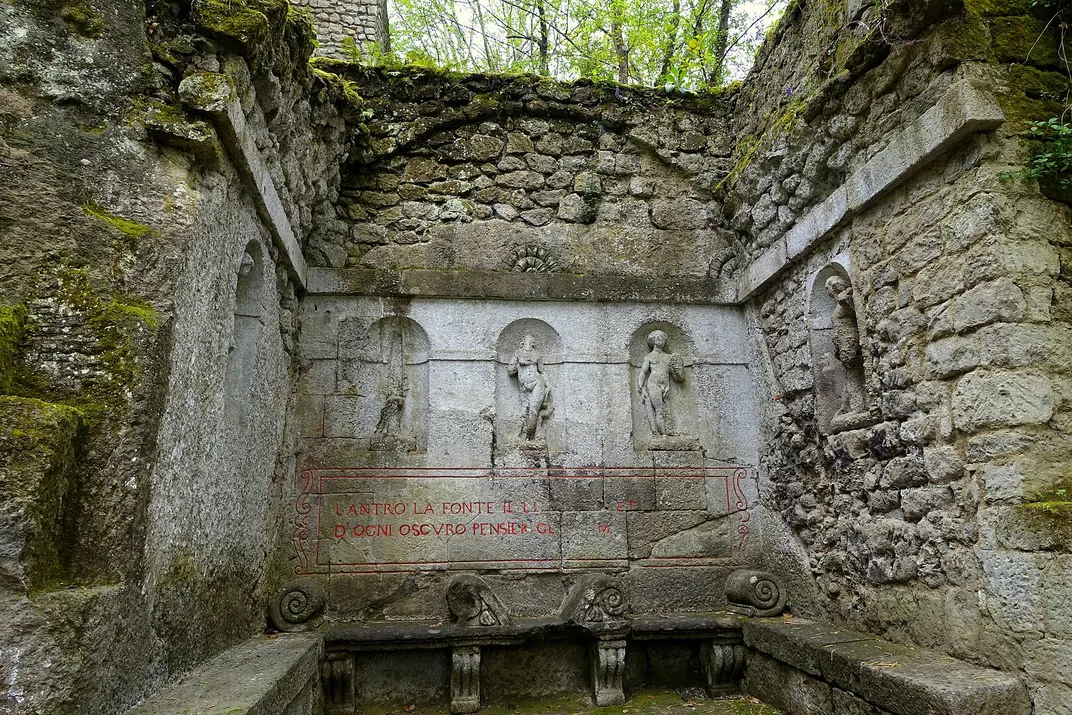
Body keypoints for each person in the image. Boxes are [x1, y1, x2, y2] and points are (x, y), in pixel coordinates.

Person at [637, 330, 684, 436]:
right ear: (653, 340)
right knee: (659, 409)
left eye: (663, 338)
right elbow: (643, 372)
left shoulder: (669, 357)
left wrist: (678, 369)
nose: (661, 340)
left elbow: (677, 376)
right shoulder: (649, 357)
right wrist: (640, 386)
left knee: (667, 408)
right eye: (658, 338)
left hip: (666, 384)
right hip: (653, 383)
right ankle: (663, 434)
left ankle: (669, 430)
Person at [508, 334, 551, 440]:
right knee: (524, 411)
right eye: (527, 340)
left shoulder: (537, 354)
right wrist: (519, 365)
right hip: (523, 386)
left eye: (531, 341)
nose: (530, 342)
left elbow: (542, 371)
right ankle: (524, 436)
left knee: (533, 411)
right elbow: (510, 370)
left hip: (537, 383)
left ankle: (526, 436)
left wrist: (548, 384)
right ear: (522, 343)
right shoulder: (517, 353)